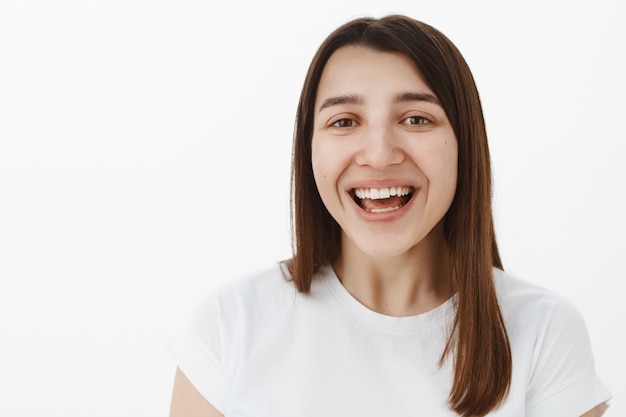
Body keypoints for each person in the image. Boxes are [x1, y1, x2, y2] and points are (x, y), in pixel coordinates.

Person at [168, 14, 611, 417]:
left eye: (416, 119)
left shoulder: (544, 332)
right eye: (344, 121)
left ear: (464, 145)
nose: (379, 155)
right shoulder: (231, 324)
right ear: (309, 150)